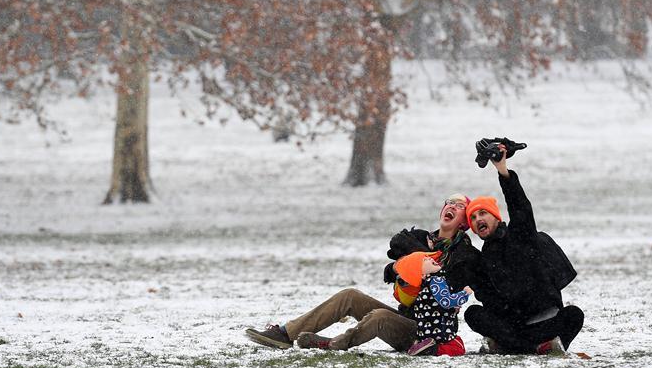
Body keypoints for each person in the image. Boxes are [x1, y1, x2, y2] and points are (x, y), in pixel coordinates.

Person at [245, 194, 479, 353]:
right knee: (350, 295)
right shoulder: (420, 238)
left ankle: (334, 344)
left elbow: (450, 287)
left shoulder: (464, 254)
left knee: (378, 317)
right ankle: (286, 334)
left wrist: (418, 263)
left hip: (426, 333)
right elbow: (389, 271)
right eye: (449, 202)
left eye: (459, 206)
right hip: (404, 315)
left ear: (464, 223)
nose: (451, 207)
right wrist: (401, 267)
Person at [463, 145, 584, 355]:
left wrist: (502, 170)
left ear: (496, 217)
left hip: (542, 323)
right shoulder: (482, 258)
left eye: (483, 213)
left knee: (574, 315)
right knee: (473, 313)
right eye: (473, 217)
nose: (478, 219)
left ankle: (514, 346)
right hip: (511, 327)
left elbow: (520, 207)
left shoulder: (520, 235)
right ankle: (533, 348)